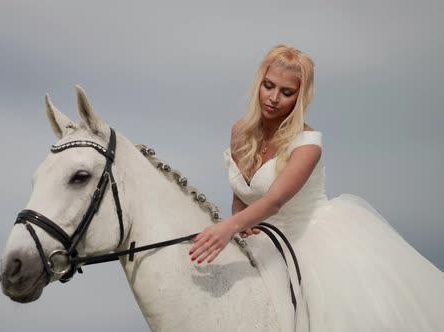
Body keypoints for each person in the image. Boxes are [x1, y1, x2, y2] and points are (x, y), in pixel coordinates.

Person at [189, 44, 444, 331]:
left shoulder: (308, 145)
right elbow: (243, 189)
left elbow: (274, 202)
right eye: (268, 86)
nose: (273, 98)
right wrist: (242, 220)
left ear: (300, 97)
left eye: (287, 93)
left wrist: (229, 227)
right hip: (263, 240)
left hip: (309, 240)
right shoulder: (240, 131)